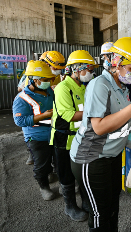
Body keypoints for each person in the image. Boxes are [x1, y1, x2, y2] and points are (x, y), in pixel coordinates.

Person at [69, 37, 131, 232]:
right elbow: (98, 127)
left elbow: (121, 119)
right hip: (91, 158)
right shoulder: (100, 85)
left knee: (112, 201)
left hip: (112, 155)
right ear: (117, 62)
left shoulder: (123, 89)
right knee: (99, 209)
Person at [50, 50, 98, 222]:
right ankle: (70, 206)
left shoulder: (83, 86)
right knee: (66, 174)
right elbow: (69, 115)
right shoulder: (63, 88)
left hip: (81, 137)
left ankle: (86, 202)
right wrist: (97, 114)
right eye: (90, 69)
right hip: (63, 138)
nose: (92, 72)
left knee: (82, 173)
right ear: (78, 69)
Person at [12, 60, 56, 201]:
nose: (49, 82)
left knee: (54, 158)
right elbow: (19, 121)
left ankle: (50, 173)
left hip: (53, 132)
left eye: (50, 79)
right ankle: (44, 186)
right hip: (36, 136)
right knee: (41, 163)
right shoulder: (21, 98)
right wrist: (43, 116)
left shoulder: (48, 91)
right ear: (35, 80)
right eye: (45, 79)